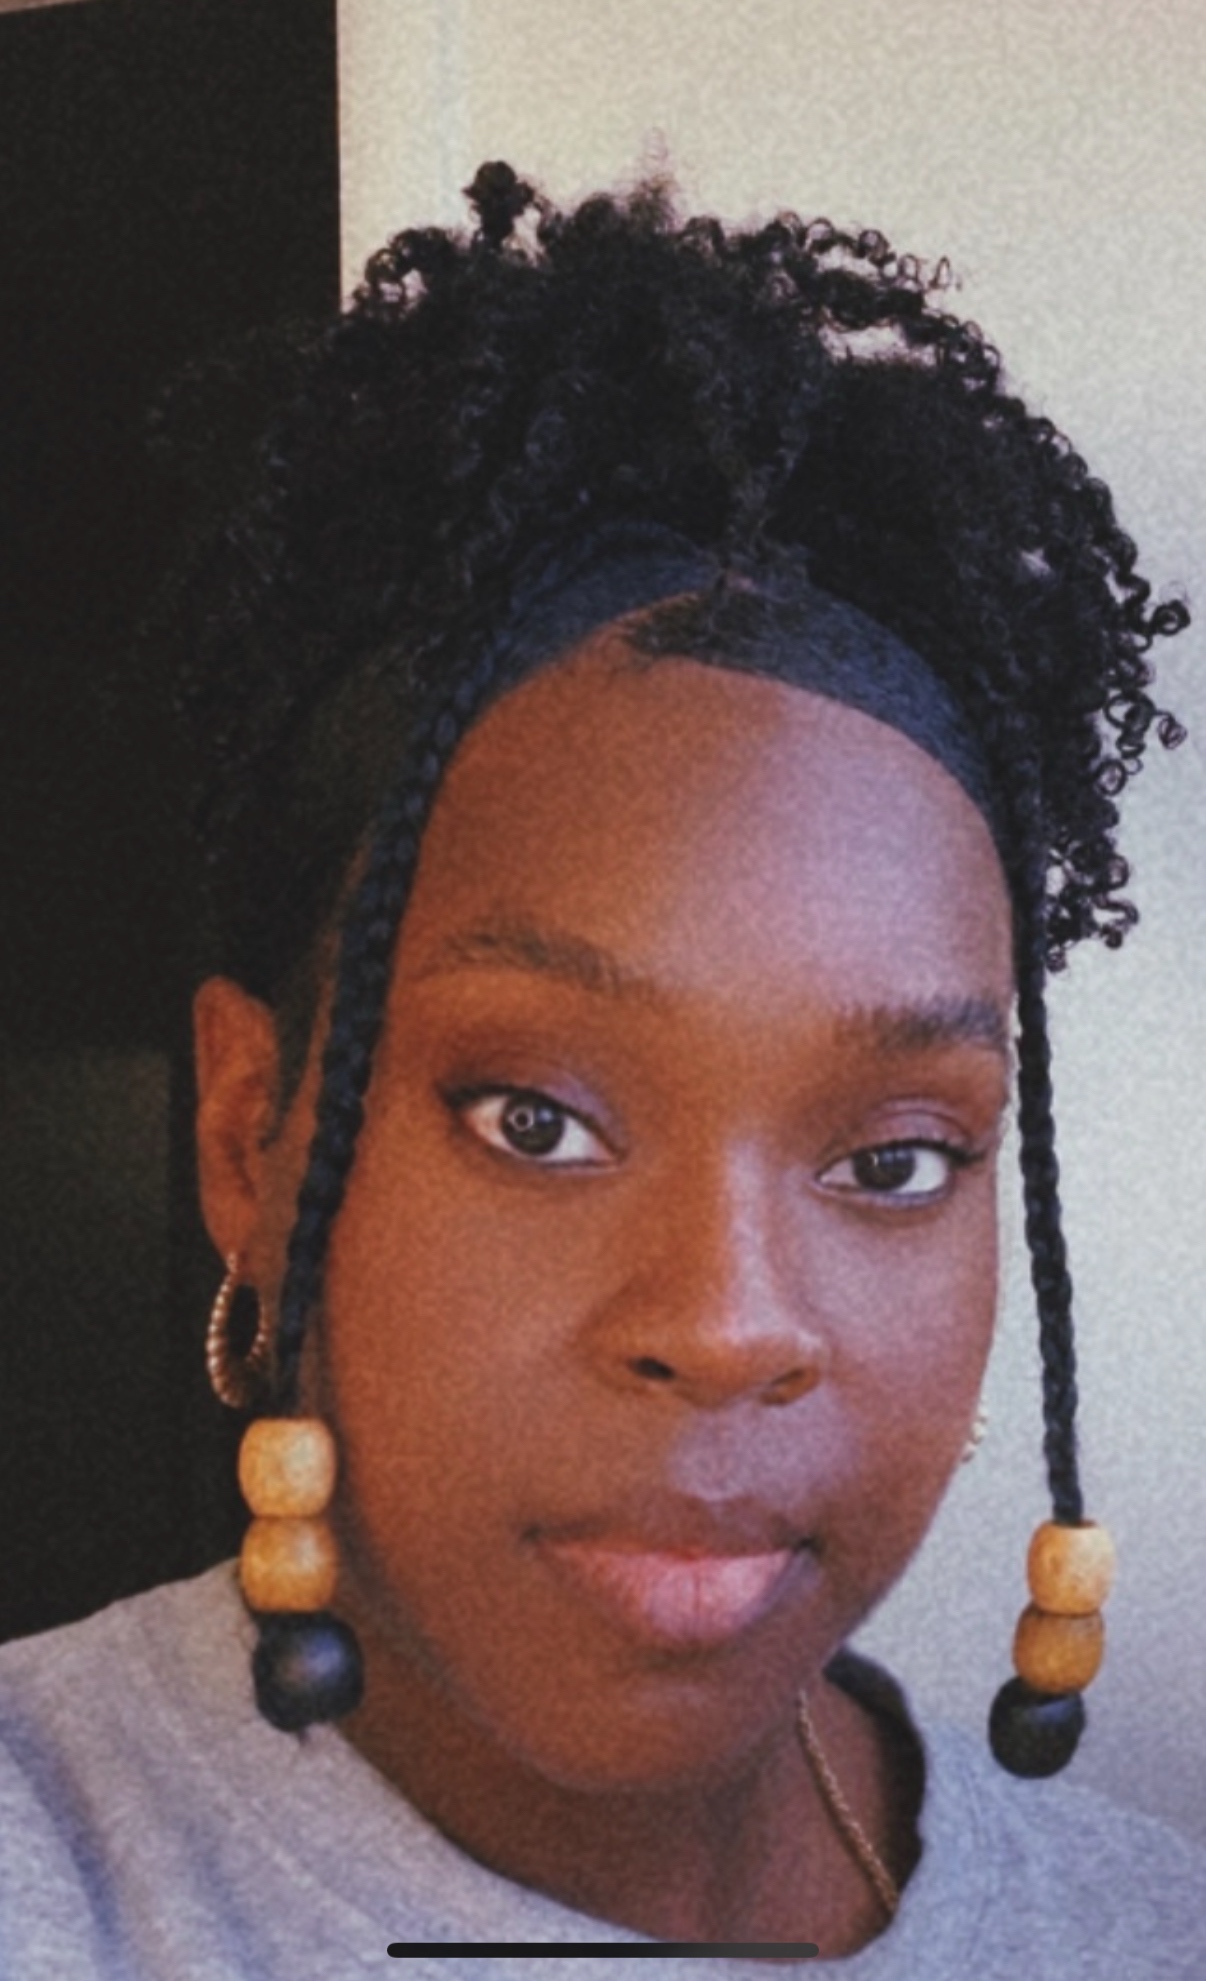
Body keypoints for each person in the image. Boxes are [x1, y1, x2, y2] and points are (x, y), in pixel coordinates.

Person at [1, 161, 1202, 1977]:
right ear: (249, 1135)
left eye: (890, 1159)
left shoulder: (1145, 1927)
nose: (725, 1325)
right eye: (536, 1118)